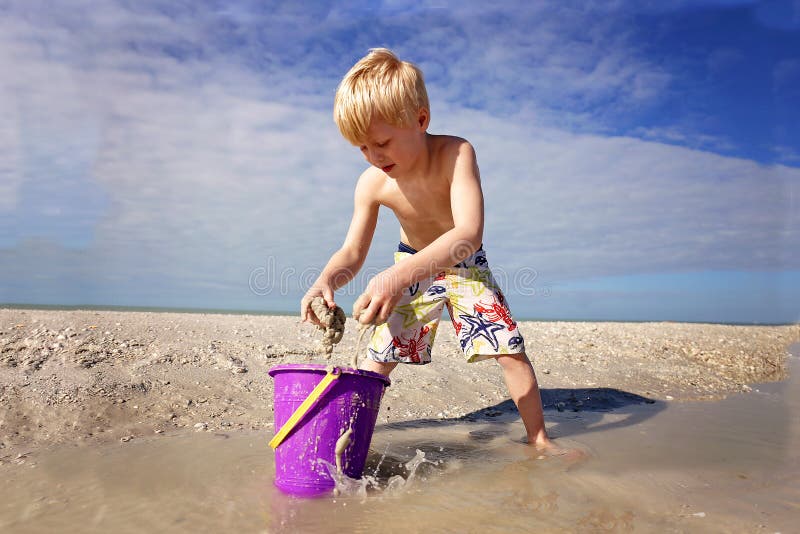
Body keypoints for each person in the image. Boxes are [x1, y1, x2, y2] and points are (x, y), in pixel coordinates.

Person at [300, 48, 557, 451]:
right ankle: (351, 441)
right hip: (409, 262)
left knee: (508, 351)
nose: (373, 156)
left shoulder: (455, 155)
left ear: (420, 120)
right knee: (378, 356)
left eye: (381, 142)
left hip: (464, 265)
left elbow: (467, 234)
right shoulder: (372, 183)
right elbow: (353, 250)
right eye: (362, 148)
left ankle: (539, 441)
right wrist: (324, 281)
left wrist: (399, 275)